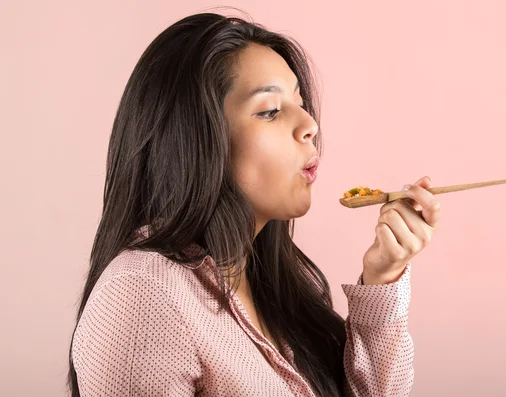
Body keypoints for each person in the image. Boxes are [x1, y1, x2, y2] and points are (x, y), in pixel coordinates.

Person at [68, 11, 441, 397]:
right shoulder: (143, 293)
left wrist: (384, 275)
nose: (310, 124)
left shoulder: (281, 285)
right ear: (197, 140)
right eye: (270, 111)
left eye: (300, 101)